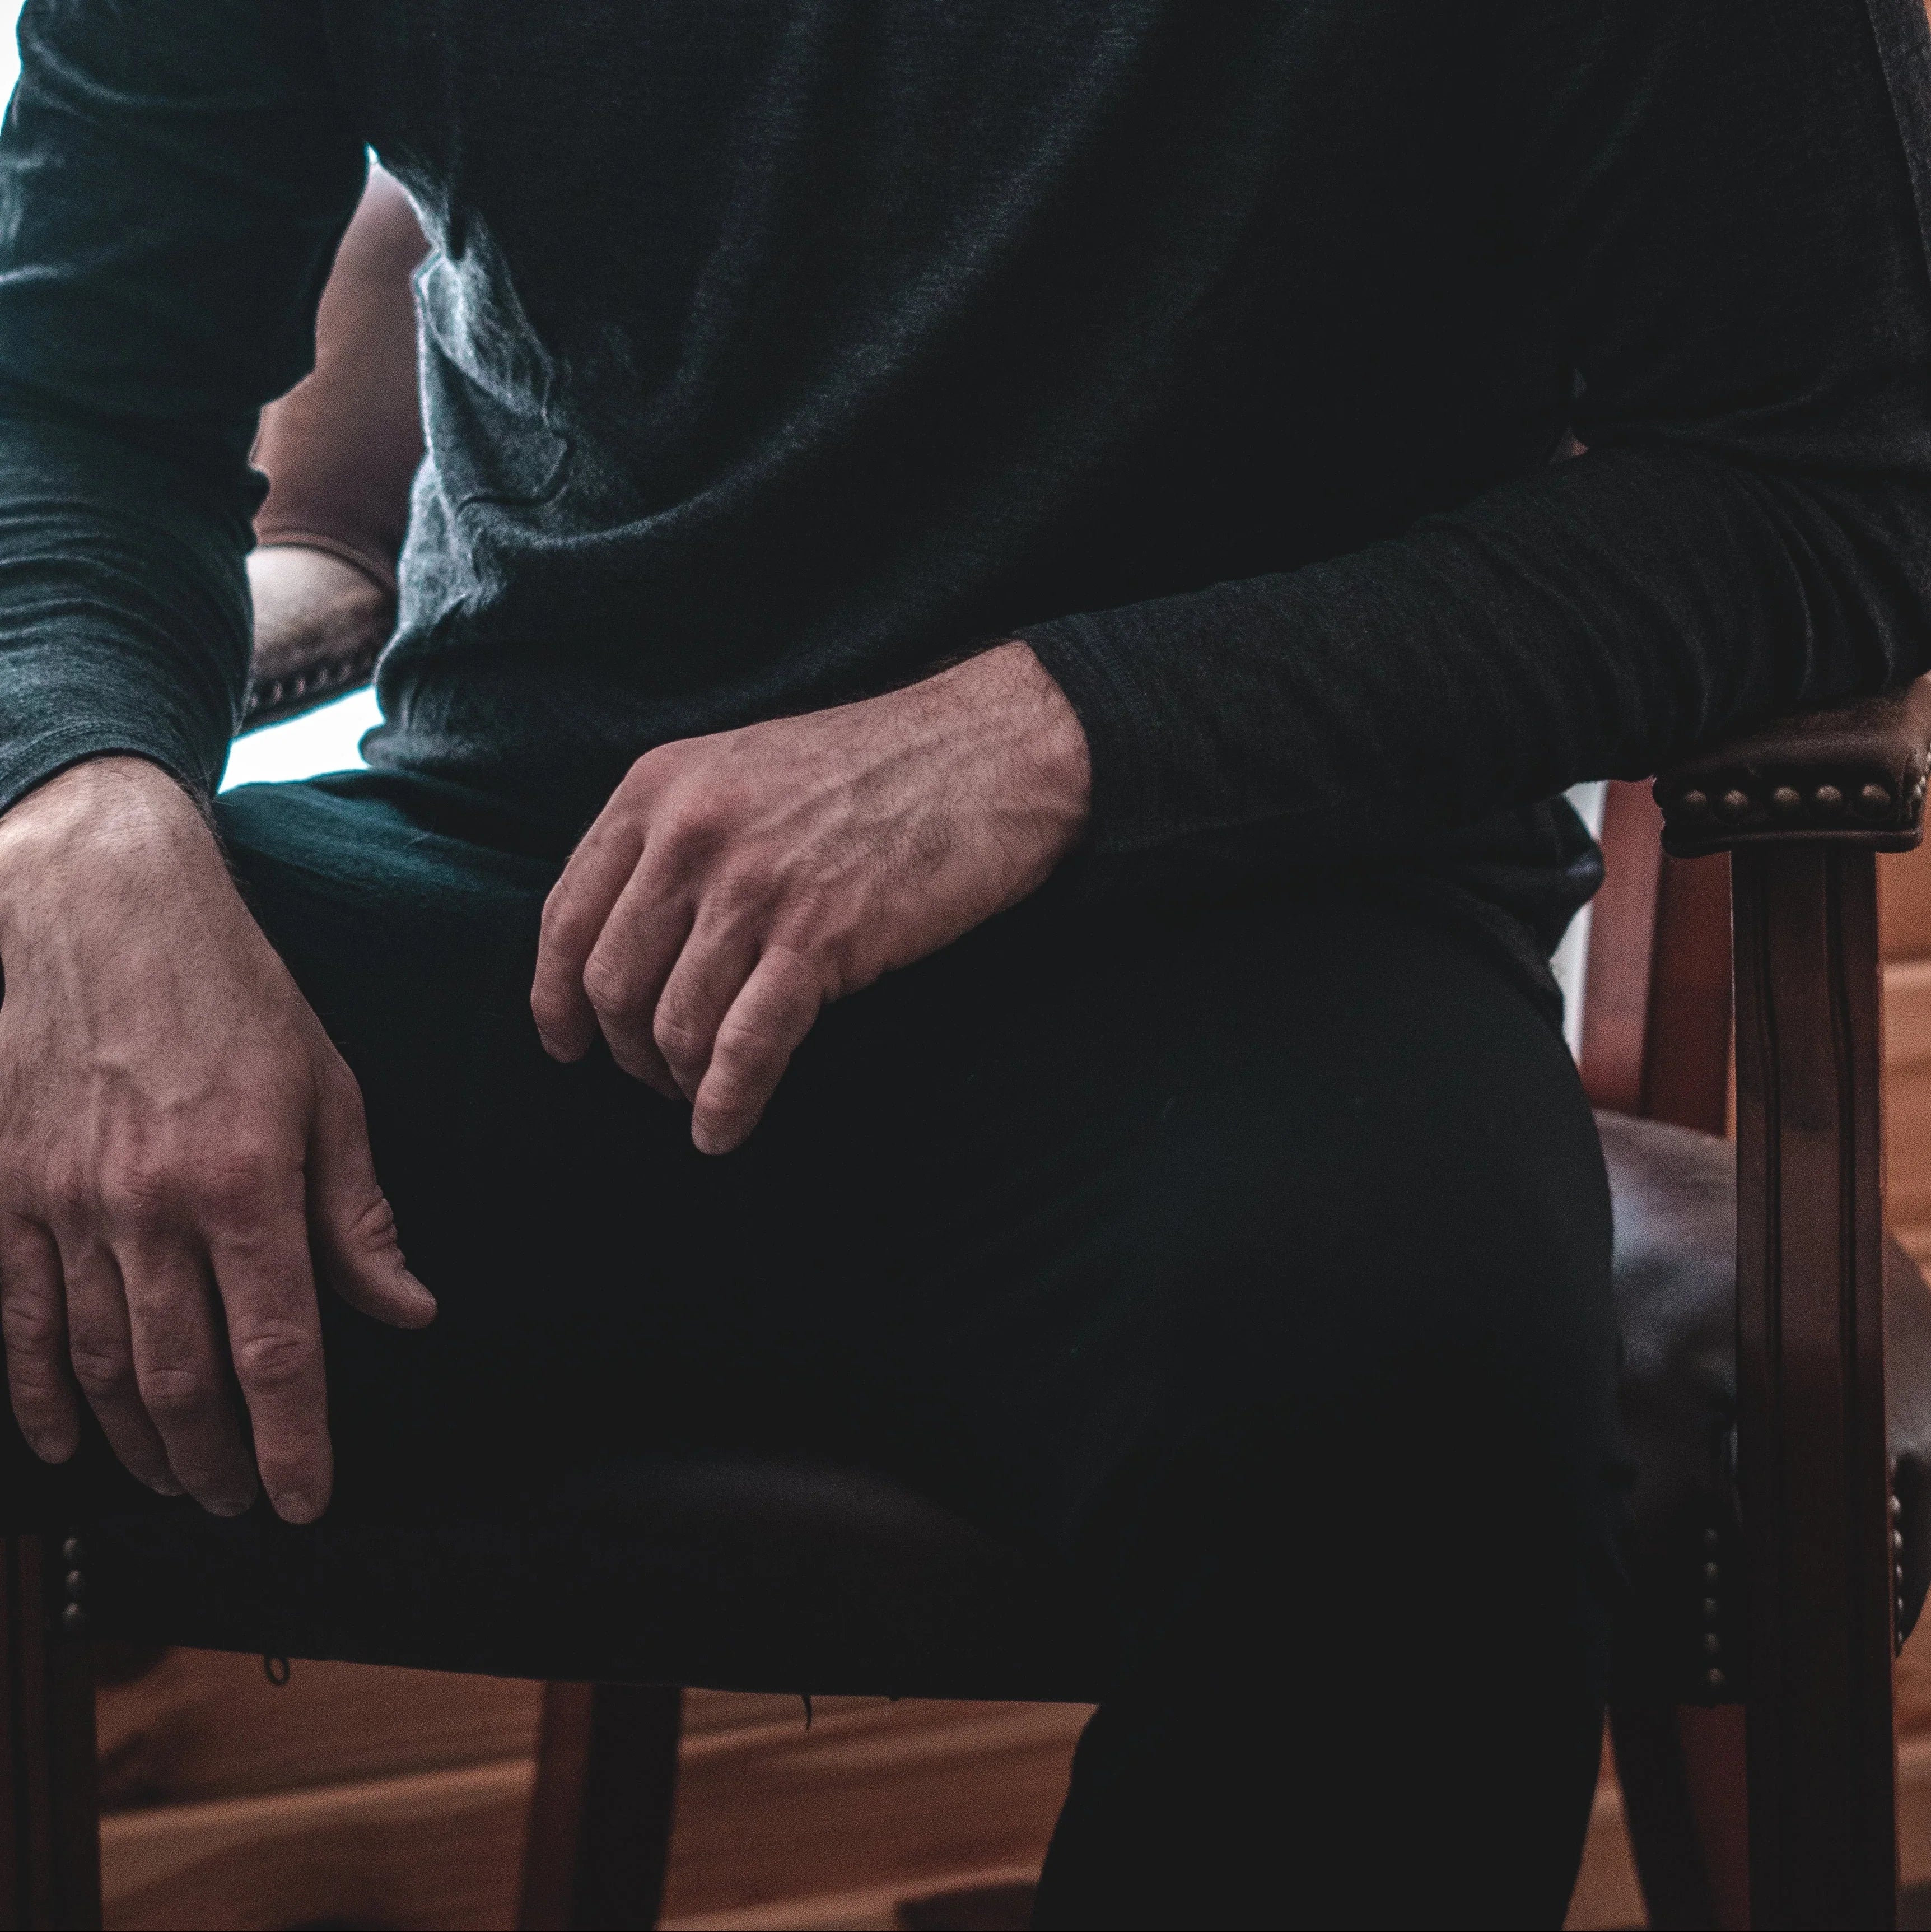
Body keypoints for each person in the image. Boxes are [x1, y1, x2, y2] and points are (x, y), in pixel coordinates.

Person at [0, 3, 1925, 1924]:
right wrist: (77, 817)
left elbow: (1836, 481)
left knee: (1414, 1403)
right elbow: (74, 400)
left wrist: (1056, 732)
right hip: (523, 889)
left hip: (1246, 916)